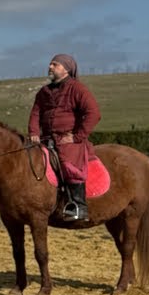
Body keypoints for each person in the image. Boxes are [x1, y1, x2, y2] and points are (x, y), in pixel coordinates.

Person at [29, 53, 101, 221]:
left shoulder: (77, 89)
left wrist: (78, 137)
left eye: (55, 64)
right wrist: (33, 133)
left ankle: (78, 206)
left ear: (67, 69)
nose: (50, 67)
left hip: (67, 140)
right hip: (46, 138)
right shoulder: (44, 92)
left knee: (69, 164)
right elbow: (35, 114)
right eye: (50, 64)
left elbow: (94, 113)